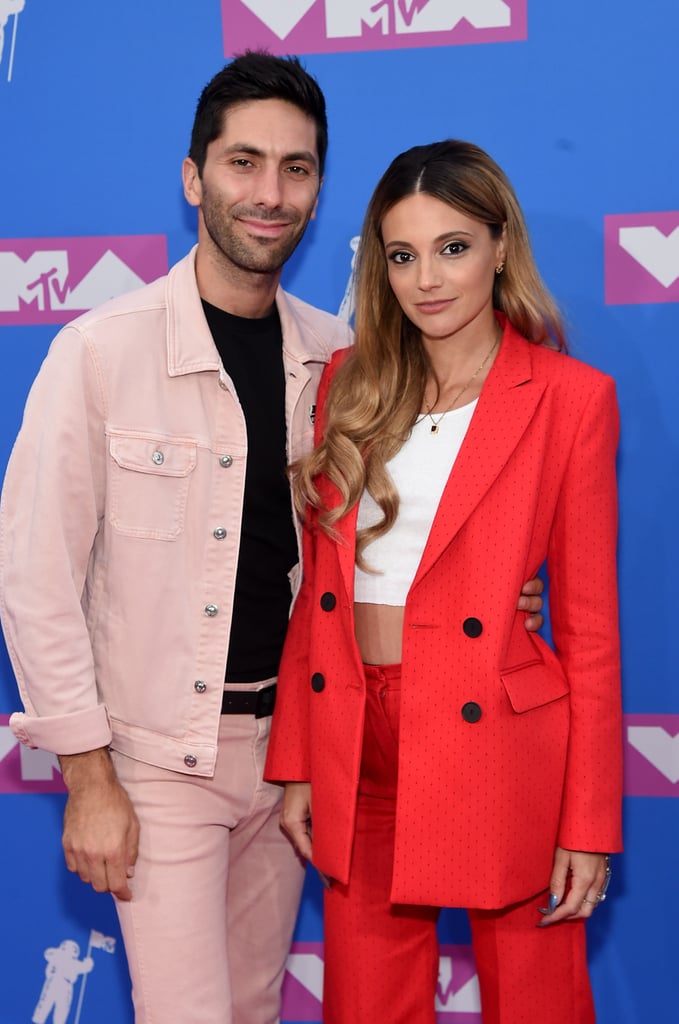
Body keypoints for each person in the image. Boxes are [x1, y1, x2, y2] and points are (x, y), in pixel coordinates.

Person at [0, 52, 545, 1024]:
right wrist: (89, 778)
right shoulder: (98, 352)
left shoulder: (343, 359)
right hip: (160, 761)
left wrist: (498, 593)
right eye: (244, 162)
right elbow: (35, 579)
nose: (269, 192)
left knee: (255, 1006)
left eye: (296, 169)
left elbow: (391, 537)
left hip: (297, 754)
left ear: (319, 188)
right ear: (193, 175)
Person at [265, 139, 622, 1024]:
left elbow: (588, 628)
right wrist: (301, 760)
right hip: (359, 728)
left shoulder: (570, 399)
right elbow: (321, 593)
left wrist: (587, 825)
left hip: (499, 737)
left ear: (501, 247)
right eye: (401, 254)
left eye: (452, 247)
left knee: (533, 1001)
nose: (426, 278)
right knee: (365, 1001)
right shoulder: (350, 384)